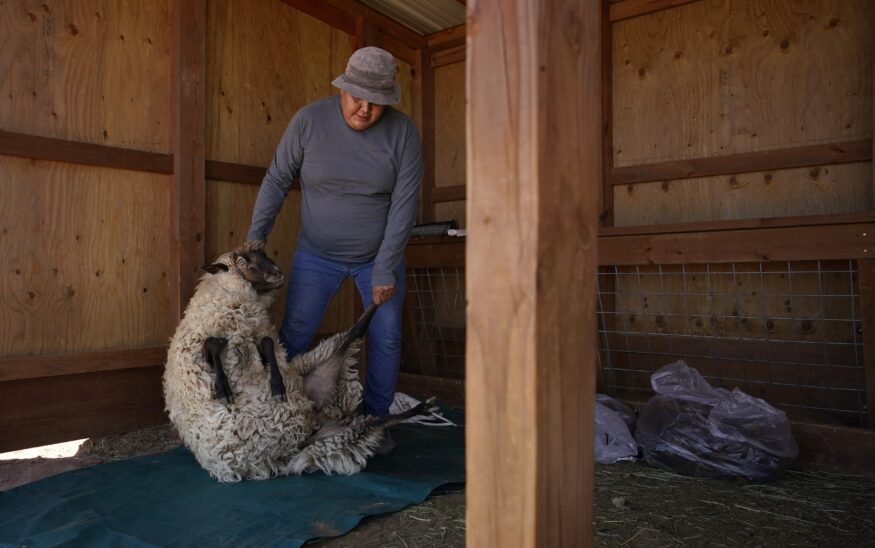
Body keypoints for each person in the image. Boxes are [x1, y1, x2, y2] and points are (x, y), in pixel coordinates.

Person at [246, 47, 424, 455]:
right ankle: (277, 415)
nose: (365, 109)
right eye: (357, 97)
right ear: (342, 88)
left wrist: (385, 268)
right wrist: (256, 239)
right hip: (317, 252)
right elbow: (276, 179)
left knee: (387, 335)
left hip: (379, 255)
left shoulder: (403, 133)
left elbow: (404, 205)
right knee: (294, 334)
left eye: (377, 102)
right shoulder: (309, 120)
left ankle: (373, 419)